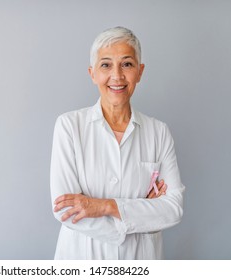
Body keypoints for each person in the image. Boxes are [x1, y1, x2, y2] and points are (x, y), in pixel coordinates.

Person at [50, 26, 185, 260]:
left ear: (140, 72)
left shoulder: (159, 132)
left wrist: (104, 206)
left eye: (127, 64)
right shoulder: (69, 126)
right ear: (92, 73)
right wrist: (142, 212)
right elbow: (66, 210)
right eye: (106, 65)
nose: (117, 75)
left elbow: (173, 210)